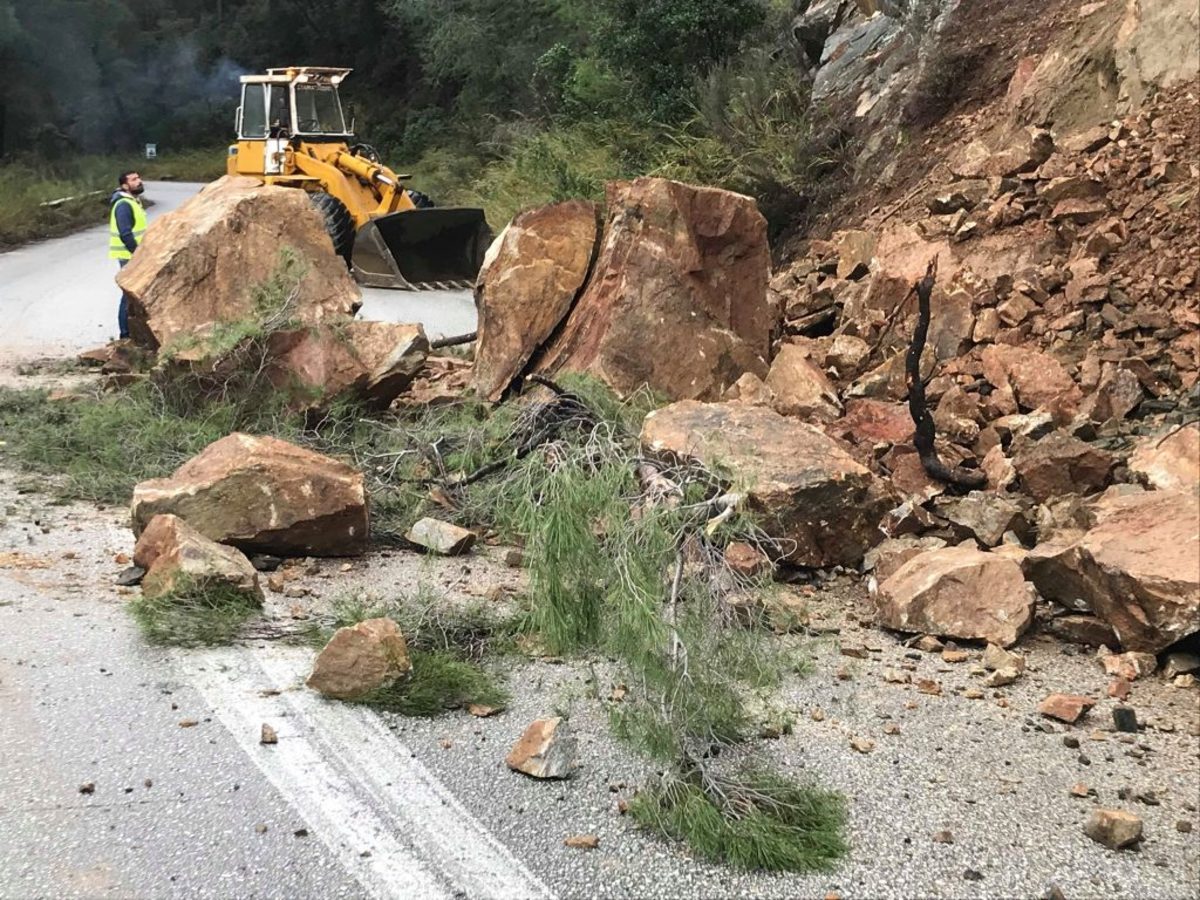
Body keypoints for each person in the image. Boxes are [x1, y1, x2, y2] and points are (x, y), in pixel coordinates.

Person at [108, 171, 146, 340]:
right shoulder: (123, 204)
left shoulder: (133, 201)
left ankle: (132, 334)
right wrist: (137, 254)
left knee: (133, 296)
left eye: (138, 178)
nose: (139, 181)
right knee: (128, 296)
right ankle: (125, 335)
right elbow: (125, 233)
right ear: (125, 185)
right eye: (134, 180)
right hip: (129, 256)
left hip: (133, 255)